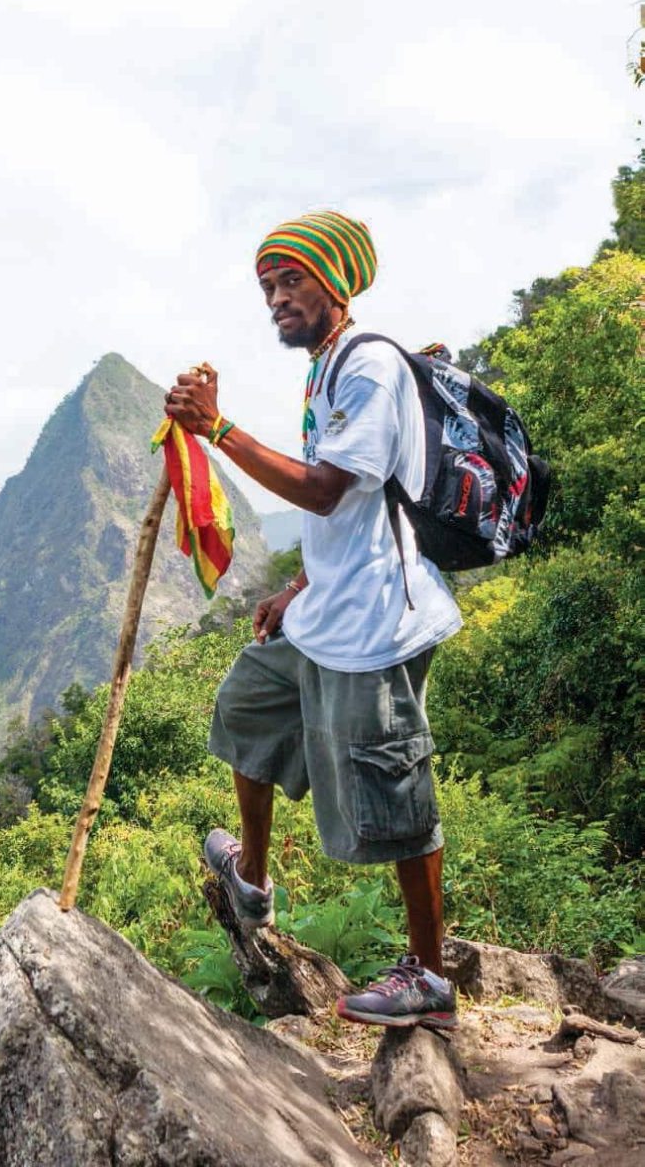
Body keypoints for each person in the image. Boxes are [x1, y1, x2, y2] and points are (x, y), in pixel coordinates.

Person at [164, 210, 463, 1029]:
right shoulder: (324, 368)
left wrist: (216, 428)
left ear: (335, 282)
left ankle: (431, 981)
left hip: (373, 629)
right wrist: (298, 585)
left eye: (291, 280)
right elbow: (346, 511)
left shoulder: (367, 368)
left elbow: (325, 488)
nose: (277, 299)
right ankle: (251, 878)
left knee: (395, 794)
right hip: (327, 609)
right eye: (267, 287)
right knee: (245, 705)